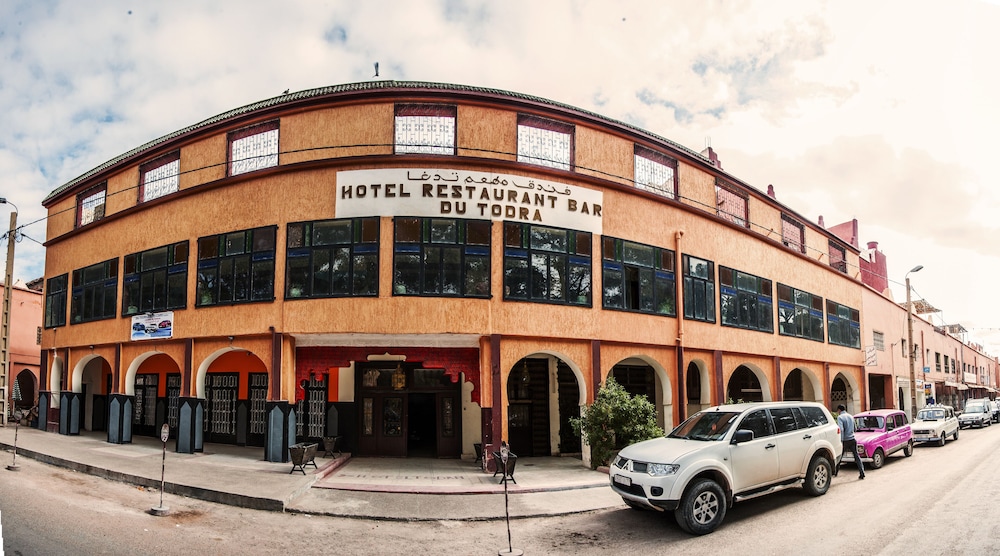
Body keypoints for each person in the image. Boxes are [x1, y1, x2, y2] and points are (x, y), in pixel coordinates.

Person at [837, 404, 865, 480]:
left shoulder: (840, 417)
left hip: (845, 440)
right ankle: (862, 472)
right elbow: (855, 428)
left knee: (839, 456)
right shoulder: (851, 416)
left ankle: (835, 472)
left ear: (839, 410)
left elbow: (841, 429)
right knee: (857, 456)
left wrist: (841, 441)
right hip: (852, 439)